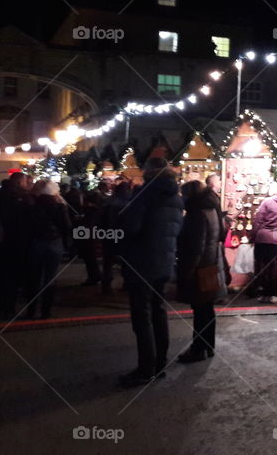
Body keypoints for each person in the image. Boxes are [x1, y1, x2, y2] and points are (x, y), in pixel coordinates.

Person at [117, 158, 183, 387]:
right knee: (158, 311)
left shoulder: (144, 196)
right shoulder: (176, 198)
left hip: (142, 261)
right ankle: (159, 363)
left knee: (142, 316)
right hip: (164, 261)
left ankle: (146, 368)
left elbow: (132, 227)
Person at [176, 181, 225, 362]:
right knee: (207, 309)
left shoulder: (197, 214)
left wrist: (187, 271)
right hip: (210, 265)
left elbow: (196, 246)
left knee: (200, 310)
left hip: (200, 268)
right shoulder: (212, 209)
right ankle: (207, 346)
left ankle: (199, 348)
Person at [25, 180, 72, 320]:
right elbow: (67, 226)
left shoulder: (31, 205)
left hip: (36, 243)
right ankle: (46, 311)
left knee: (34, 278)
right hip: (54, 243)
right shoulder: (59, 206)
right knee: (50, 278)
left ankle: (31, 310)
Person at [0, 173, 34, 318]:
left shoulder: (3, 196)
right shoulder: (23, 199)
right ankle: (9, 307)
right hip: (17, 242)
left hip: (4, 241)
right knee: (13, 276)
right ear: (20, 183)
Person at [100, 180, 132, 294]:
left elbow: (102, 221)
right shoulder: (131, 203)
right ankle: (127, 283)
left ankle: (106, 285)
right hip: (125, 236)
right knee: (126, 262)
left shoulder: (109, 202)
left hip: (110, 234)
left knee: (108, 262)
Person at [251, 189, 277, 304]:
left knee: (263, 267)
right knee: (275, 268)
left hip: (263, 238)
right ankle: (274, 293)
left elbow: (258, 221)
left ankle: (264, 293)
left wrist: (252, 237)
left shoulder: (267, 202)